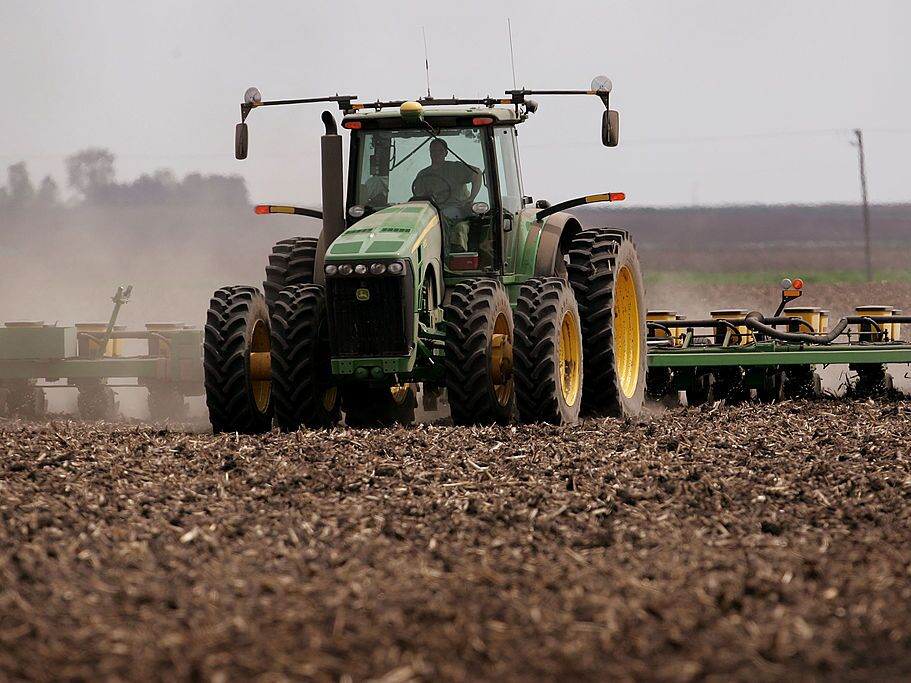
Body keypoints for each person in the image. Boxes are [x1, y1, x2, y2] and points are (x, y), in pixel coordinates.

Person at [413, 138, 482, 251]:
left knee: (441, 218)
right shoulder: (423, 174)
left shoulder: (455, 168)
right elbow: (418, 197)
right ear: (430, 153)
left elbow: (477, 174)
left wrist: (471, 198)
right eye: (434, 150)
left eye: (440, 151)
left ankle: (444, 254)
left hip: (456, 210)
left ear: (446, 153)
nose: (436, 153)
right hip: (431, 212)